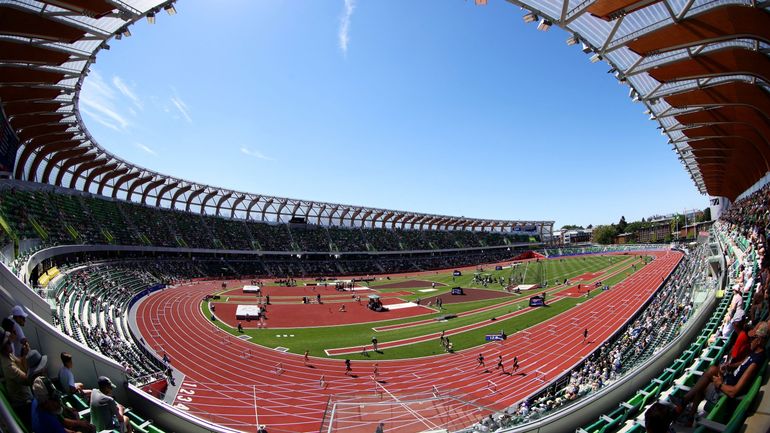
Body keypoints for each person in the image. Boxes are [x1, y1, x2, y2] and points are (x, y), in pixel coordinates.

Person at [672, 323, 768, 426]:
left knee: (702, 384)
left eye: (752, 338)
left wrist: (719, 384)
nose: (749, 341)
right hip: (728, 379)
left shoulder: (755, 362)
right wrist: (729, 366)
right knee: (711, 371)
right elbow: (742, 363)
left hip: (727, 389)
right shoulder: (755, 353)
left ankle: (686, 408)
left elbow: (734, 392)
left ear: (759, 340)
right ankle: (685, 406)